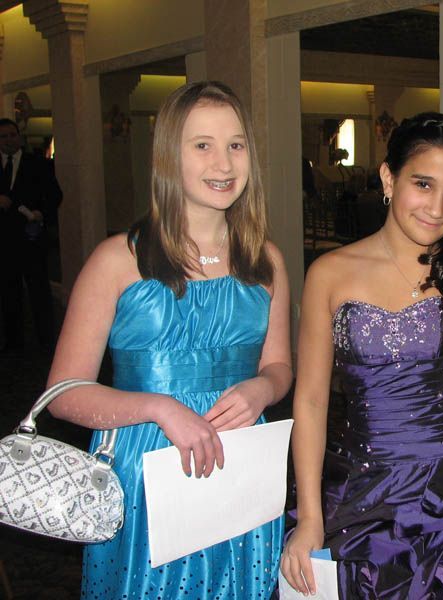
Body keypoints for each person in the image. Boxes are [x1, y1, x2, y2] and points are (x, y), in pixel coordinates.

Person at [46, 81, 293, 599]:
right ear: (167, 156)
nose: (223, 163)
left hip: (240, 461)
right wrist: (160, 407)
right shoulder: (117, 259)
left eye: (236, 145)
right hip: (144, 467)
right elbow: (64, 394)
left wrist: (263, 390)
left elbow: (279, 367)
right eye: (202, 145)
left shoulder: (266, 260)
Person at [282, 112, 443, 598]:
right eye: (423, 183)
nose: (437, 207)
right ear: (388, 177)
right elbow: (312, 400)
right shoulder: (330, 272)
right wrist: (311, 519)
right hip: (361, 490)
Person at [0, 118, 62, 351]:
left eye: (12, 135)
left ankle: (46, 341)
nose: (9, 140)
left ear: (20, 137)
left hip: (31, 239)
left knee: (39, 291)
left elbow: (55, 195)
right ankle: (13, 342)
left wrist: (40, 212)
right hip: (4, 242)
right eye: (3, 136)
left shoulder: (36, 163)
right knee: (9, 292)